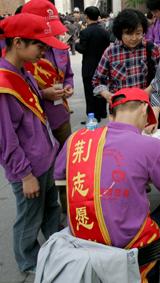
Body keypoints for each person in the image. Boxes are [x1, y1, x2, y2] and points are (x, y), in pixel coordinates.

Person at [54, 87, 160, 281]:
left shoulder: (76, 139)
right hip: (129, 246)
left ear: (111, 116)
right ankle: (156, 262)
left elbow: (59, 173)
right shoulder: (150, 146)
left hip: (82, 242)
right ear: (145, 110)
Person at [0, 13, 68, 273]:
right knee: (29, 217)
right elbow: (6, 139)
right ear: (18, 43)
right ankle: (28, 262)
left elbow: (28, 104)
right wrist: (24, 175)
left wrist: (45, 93)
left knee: (51, 207)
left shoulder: (21, 71)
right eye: (40, 46)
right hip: (28, 167)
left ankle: (55, 247)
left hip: (44, 157)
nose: (44, 51)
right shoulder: (4, 83)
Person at [22, 0, 74, 149]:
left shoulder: (61, 48)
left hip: (60, 114)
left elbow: (68, 74)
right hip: (35, 122)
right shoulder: (19, 55)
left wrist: (68, 86)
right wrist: (43, 94)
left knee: (66, 158)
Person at [92, 9, 160, 104]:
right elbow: (97, 80)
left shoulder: (151, 49)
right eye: (128, 33)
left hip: (146, 107)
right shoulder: (111, 52)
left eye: (138, 33)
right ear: (120, 33)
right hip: (120, 108)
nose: (133, 38)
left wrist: (149, 90)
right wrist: (107, 94)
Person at [76, 6, 111, 123]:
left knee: (89, 91)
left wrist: (76, 44)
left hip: (88, 66)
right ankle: (102, 112)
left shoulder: (85, 32)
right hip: (103, 66)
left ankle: (92, 116)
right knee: (102, 88)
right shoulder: (105, 32)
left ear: (86, 16)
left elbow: (82, 49)